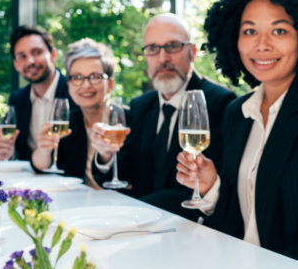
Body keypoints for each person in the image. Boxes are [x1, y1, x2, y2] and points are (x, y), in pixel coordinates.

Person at [176, 0, 298, 265]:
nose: (262, 45)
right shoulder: (236, 113)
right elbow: (240, 221)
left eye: (279, 30)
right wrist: (211, 187)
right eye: (250, 30)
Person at [90, 14, 235, 216]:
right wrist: (105, 154)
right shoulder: (140, 105)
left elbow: (208, 188)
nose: (162, 58)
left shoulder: (222, 103)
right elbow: (125, 173)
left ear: (192, 52)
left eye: (172, 46)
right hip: (141, 228)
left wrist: (134, 210)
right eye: (152, 49)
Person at [31, 39, 117, 189]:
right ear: (69, 85)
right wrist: (44, 150)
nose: (85, 85)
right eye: (77, 77)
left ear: (110, 84)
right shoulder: (69, 122)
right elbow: (40, 166)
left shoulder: (130, 121)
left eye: (95, 77)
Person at [0, 25, 75, 162]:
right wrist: (6, 155)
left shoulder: (75, 92)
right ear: (16, 65)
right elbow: (19, 153)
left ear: (53, 55)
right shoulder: (17, 99)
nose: (30, 61)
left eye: (37, 52)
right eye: (22, 56)